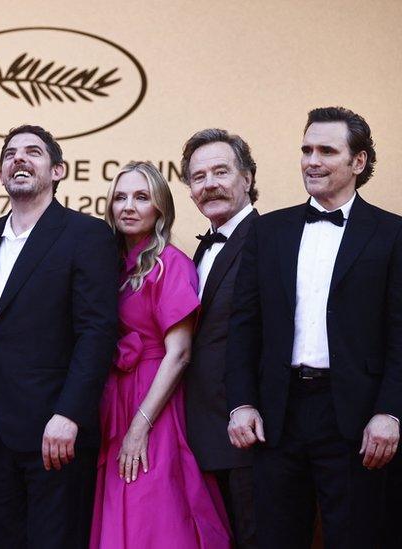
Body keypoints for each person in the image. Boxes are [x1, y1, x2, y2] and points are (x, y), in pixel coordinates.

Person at [226, 106, 402, 548]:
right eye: (306, 149)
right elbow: (245, 325)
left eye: (326, 150)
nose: (312, 160)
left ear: (358, 162)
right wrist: (241, 403)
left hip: (357, 419)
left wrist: (389, 412)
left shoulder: (392, 234)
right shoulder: (267, 231)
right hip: (277, 414)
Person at [0, 125, 119, 548]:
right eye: (10, 153)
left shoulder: (87, 235)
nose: (19, 158)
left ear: (57, 171)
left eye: (33, 152)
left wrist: (70, 414)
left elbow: (96, 332)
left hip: (56, 431)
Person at [91, 161, 230, 548]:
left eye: (141, 197)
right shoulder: (112, 267)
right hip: (115, 400)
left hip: (156, 405)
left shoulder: (171, 263)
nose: (128, 206)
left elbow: (180, 353)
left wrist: (140, 426)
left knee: (154, 511)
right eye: (120, 197)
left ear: (160, 208)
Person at [180, 129, 259, 548]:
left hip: (248, 434)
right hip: (202, 434)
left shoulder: (268, 241)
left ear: (246, 178)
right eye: (198, 176)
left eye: (221, 172)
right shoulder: (199, 251)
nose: (209, 183)